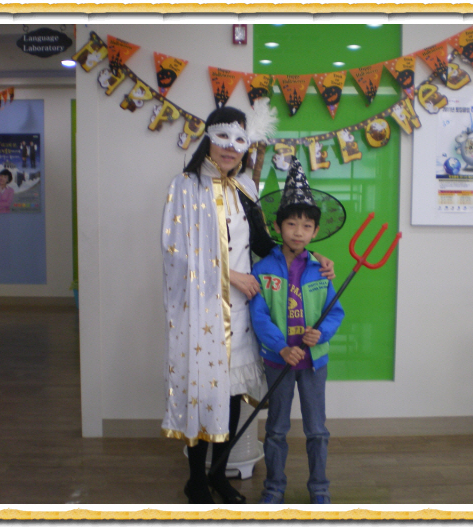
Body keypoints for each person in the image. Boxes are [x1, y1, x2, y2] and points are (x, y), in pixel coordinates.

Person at [161, 102, 335, 505]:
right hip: (201, 310)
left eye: (239, 140)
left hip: (239, 311)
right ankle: (196, 481)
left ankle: (218, 476)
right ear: (208, 139)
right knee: (204, 393)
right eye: (222, 137)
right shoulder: (184, 187)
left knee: (231, 396)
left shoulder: (245, 189)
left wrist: (312, 257)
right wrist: (229, 276)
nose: (230, 147)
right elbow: (176, 253)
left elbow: (264, 243)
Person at [250, 157, 345, 505]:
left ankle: (319, 487)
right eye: (291, 223)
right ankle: (273, 487)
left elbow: (335, 312)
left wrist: (322, 334)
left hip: (313, 363)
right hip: (279, 361)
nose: (298, 232)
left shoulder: (322, 270)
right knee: (276, 429)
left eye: (306, 226)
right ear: (278, 226)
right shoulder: (263, 268)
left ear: (315, 232)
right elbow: (259, 315)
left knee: (317, 430)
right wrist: (280, 347)